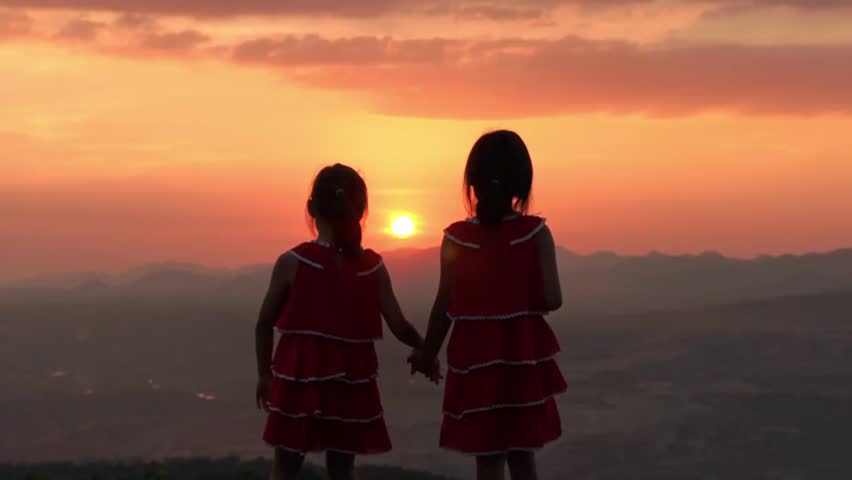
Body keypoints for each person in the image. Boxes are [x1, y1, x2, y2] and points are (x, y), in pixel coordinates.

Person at [255, 163, 439, 480]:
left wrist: (264, 375)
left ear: (311, 208)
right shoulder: (371, 268)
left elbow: (263, 323)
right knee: (342, 469)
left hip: (300, 381)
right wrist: (426, 350)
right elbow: (399, 325)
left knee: (285, 465)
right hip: (351, 385)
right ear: (361, 211)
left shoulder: (292, 263)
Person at [410, 130, 567, 480]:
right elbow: (553, 299)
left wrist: (426, 354)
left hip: (476, 366)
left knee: (488, 457)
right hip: (521, 364)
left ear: (473, 183)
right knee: (522, 455)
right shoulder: (536, 234)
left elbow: (443, 307)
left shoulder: (456, 239)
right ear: (520, 184)